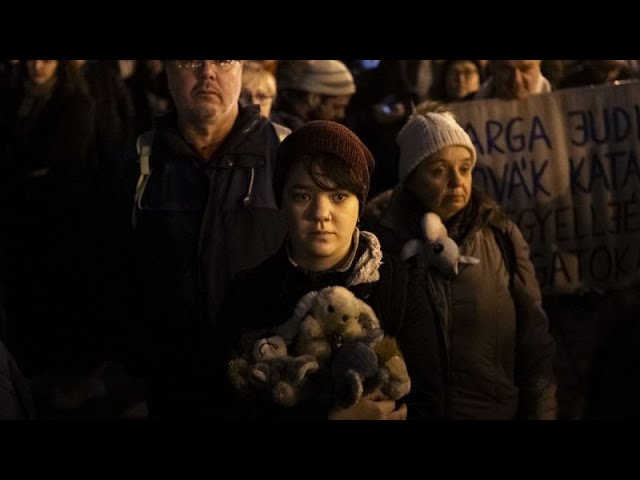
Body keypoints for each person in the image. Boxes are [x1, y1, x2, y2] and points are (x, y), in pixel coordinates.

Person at [217, 120, 444, 420]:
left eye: (338, 196)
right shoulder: (251, 292)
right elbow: (227, 404)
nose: (321, 214)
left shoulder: (398, 285)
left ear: (359, 203)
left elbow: (430, 401)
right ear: (281, 202)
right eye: (303, 196)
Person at [368, 112, 557, 419]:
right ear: (412, 177)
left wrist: (541, 412)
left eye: (465, 169)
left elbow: (533, 341)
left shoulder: (499, 235)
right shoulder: (381, 244)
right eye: (439, 171)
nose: (457, 182)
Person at [130, 60, 288, 418]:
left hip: (265, 387)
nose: (207, 72)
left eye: (223, 60)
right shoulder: (137, 162)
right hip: (171, 389)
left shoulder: (285, 154)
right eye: (190, 60)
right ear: (167, 71)